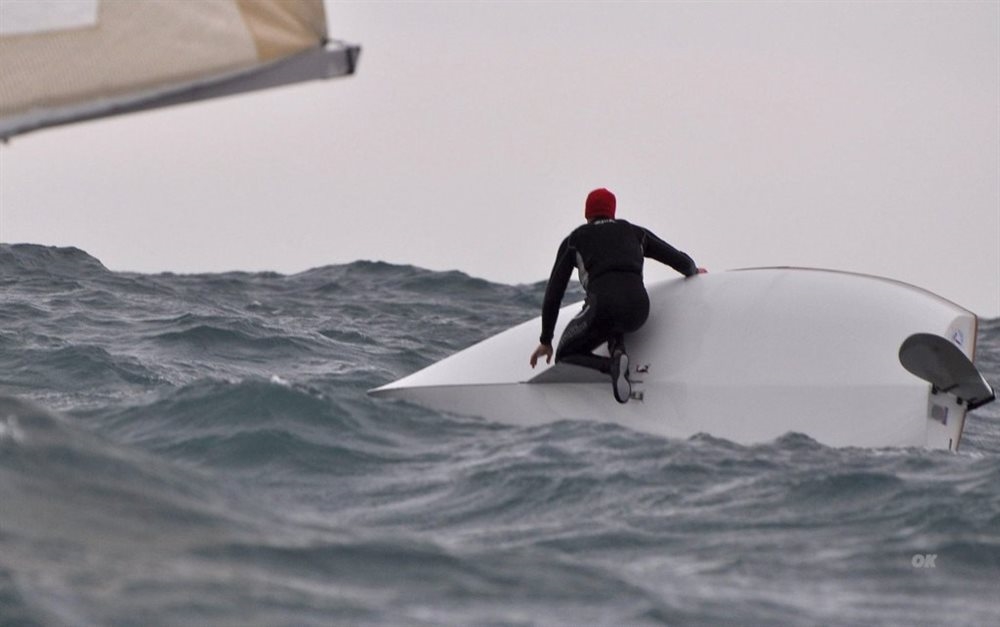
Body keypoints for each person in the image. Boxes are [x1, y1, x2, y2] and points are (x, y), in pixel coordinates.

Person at [529, 188, 706, 403]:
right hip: (639, 310)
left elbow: (554, 293)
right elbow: (675, 257)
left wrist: (546, 340)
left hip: (603, 309)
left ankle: (610, 366)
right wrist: (692, 270)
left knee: (565, 354)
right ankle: (618, 352)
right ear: (612, 212)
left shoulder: (575, 240)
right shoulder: (634, 232)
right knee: (614, 319)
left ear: (587, 214)